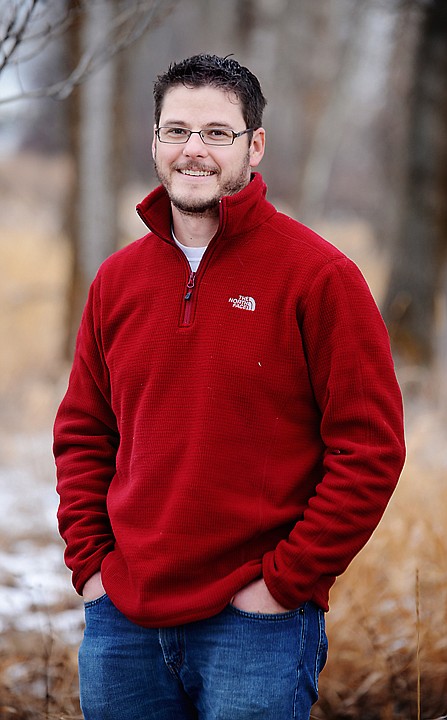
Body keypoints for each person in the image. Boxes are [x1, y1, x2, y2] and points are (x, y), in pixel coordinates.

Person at [54, 54, 406, 720]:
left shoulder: (318, 277)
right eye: (176, 130)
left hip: (256, 623)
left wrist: (284, 583)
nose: (194, 150)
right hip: (123, 619)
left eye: (217, 133)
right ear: (154, 142)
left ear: (254, 145)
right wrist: (93, 568)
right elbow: (83, 433)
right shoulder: (117, 281)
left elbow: (368, 449)